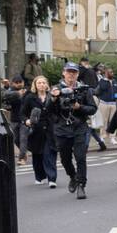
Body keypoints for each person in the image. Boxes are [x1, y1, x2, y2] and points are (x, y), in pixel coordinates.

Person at [46, 62, 98, 199]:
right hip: (62, 129)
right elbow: (47, 109)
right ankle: (72, 176)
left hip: (79, 127)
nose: (71, 75)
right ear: (63, 73)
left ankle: (81, 185)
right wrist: (53, 98)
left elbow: (93, 109)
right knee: (65, 159)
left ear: (77, 74)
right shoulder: (56, 88)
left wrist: (79, 107)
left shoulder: (84, 89)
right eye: (69, 72)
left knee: (81, 157)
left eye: (74, 72)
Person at [20, 75, 57, 187]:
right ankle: (39, 176)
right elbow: (22, 113)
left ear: (47, 85)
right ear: (35, 85)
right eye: (39, 83)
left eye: (43, 83)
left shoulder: (52, 97)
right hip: (36, 130)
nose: (41, 85)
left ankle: (52, 179)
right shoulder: (30, 98)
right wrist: (26, 121)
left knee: (49, 153)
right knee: (37, 155)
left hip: (50, 129)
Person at [95, 66, 117, 148]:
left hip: (113, 103)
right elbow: (102, 88)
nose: (112, 74)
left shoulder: (114, 81)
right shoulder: (102, 81)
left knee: (113, 121)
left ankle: (112, 137)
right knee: (104, 121)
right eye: (110, 72)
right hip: (104, 103)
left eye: (112, 72)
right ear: (106, 73)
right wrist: (106, 80)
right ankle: (103, 137)